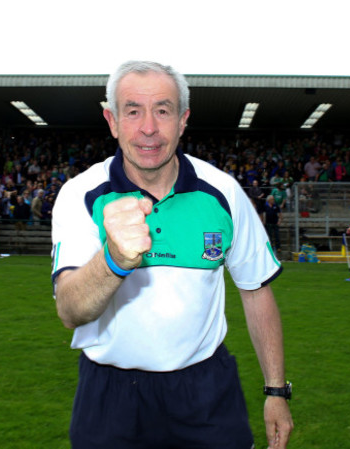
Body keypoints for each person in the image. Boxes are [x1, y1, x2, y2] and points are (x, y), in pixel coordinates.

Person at [51, 61, 292, 449]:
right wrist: (113, 260)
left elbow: (256, 290)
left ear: (183, 120)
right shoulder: (80, 194)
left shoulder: (223, 193)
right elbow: (70, 310)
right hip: (110, 396)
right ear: (112, 120)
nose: (149, 127)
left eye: (163, 110)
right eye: (133, 111)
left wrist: (276, 391)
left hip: (206, 390)